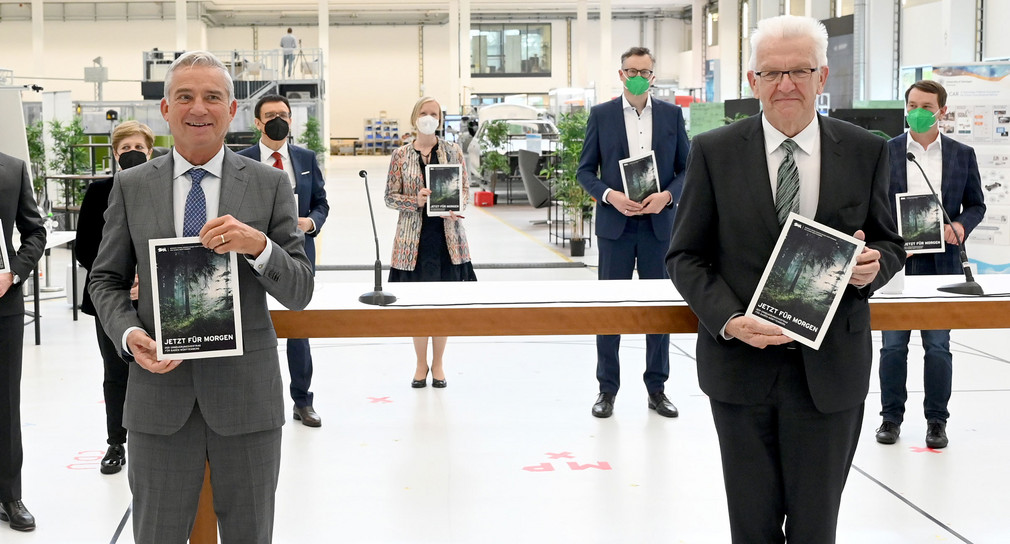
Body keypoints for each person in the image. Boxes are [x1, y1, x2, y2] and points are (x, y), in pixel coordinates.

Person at [667, 15, 905, 542]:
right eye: (772, 73)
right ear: (752, 82)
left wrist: (873, 267)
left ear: (823, 77)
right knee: (750, 527)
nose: (786, 84)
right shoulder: (714, 151)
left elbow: (890, 243)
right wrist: (729, 319)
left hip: (830, 374)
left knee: (816, 527)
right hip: (741, 370)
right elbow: (684, 256)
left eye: (800, 71)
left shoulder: (866, 150)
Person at [89, 51, 313, 542]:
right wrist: (129, 334)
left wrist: (259, 246)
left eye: (213, 96)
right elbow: (104, 280)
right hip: (158, 398)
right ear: (165, 110)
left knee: (251, 533)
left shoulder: (269, 184)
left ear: (231, 110)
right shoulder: (131, 186)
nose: (199, 108)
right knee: (157, 533)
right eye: (184, 96)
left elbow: (299, 290)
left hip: (245, 396)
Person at [576, 46, 689, 419]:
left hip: (658, 227)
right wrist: (610, 196)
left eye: (644, 70)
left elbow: (687, 170)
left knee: (659, 310)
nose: (637, 75)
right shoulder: (602, 115)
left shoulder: (672, 117)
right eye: (630, 70)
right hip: (616, 226)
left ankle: (657, 389)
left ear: (653, 76)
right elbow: (585, 171)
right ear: (620, 74)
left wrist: (668, 196)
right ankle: (606, 389)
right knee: (611, 310)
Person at [875, 80, 986, 449]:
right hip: (896, 262)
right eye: (911, 104)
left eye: (925, 105)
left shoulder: (961, 154)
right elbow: (872, 204)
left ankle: (936, 421)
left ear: (942, 110)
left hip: (944, 263)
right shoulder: (886, 152)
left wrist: (959, 226)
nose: (917, 111)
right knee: (892, 346)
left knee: (938, 345)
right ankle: (890, 418)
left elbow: (976, 204)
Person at [238, 94, 329, 427]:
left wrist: (311, 223)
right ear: (258, 122)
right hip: (252, 255)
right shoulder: (241, 160)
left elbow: (321, 202)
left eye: (284, 114)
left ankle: (302, 400)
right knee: (250, 323)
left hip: (297, 253)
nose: (279, 119)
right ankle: (252, 400)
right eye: (271, 114)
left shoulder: (305, 158)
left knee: (298, 324)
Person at [76, 121, 155, 475]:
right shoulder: (98, 192)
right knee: (116, 370)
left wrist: (146, 279)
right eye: (124, 149)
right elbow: (84, 249)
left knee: (159, 368)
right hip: (110, 298)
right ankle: (115, 442)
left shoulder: (162, 189)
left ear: (151, 151)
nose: (131, 153)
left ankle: (153, 436)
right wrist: (121, 280)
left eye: (138, 146)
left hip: (157, 295)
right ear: (114, 153)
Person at [384, 96, 476, 389]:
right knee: (418, 306)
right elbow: (389, 196)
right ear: (415, 118)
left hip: (447, 239)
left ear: (440, 118)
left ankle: (438, 364)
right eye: (423, 113)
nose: (428, 117)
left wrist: (456, 204)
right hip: (414, 242)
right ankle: (420, 363)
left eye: (433, 113)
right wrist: (416, 200)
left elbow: (465, 191)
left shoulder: (453, 151)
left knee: (442, 304)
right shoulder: (400, 155)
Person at [0, 152, 46, 533]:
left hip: (2, 302)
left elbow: (35, 232)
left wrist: (13, 273)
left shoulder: (12, 168)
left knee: (5, 400)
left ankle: (9, 495)